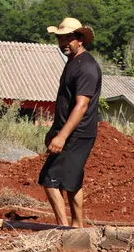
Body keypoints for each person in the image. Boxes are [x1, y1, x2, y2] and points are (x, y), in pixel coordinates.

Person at [39, 17, 102, 227]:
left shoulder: (86, 67)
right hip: (73, 131)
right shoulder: (73, 62)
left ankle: (63, 228)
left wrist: (62, 136)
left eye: (69, 38)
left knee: (49, 179)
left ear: (80, 39)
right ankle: (77, 227)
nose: (64, 42)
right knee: (72, 181)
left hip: (78, 133)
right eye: (60, 38)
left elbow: (81, 106)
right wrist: (55, 130)